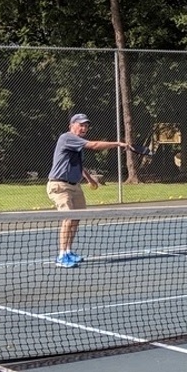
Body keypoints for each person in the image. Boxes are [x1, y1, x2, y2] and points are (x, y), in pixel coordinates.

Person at [46, 113, 130, 268]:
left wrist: (90, 179)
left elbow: (78, 165)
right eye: (81, 124)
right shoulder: (67, 137)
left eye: (86, 125)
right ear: (71, 125)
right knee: (69, 218)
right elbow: (95, 146)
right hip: (59, 186)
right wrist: (117, 144)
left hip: (75, 186)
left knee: (77, 218)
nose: (84, 128)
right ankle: (61, 255)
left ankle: (69, 251)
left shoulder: (77, 145)